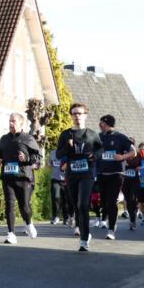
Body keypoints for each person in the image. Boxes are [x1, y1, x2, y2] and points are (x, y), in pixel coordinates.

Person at [56, 103, 101, 252]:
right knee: (76, 206)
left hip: (87, 174)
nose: (77, 116)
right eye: (74, 113)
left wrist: (94, 156)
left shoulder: (92, 134)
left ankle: (83, 240)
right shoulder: (65, 134)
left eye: (80, 113)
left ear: (85, 115)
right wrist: (68, 147)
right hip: (72, 174)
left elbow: (100, 149)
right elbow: (58, 155)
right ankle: (84, 232)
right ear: (71, 115)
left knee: (83, 205)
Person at [0, 113, 41, 244]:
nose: (11, 123)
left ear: (21, 123)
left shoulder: (28, 138)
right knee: (9, 204)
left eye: (14, 121)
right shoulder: (4, 139)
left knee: (24, 206)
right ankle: (11, 234)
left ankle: (29, 222)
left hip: (24, 177)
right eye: (10, 121)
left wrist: (26, 159)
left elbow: (37, 157)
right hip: (8, 177)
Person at [96, 114, 135, 241]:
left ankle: (111, 229)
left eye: (100, 122)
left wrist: (122, 157)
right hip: (102, 173)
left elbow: (133, 151)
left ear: (106, 123)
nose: (99, 124)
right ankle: (109, 220)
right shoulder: (98, 137)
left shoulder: (120, 137)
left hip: (116, 174)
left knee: (111, 202)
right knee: (104, 202)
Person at [122, 137, 142, 231]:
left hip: (136, 180)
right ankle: (132, 218)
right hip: (126, 181)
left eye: (131, 144)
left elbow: (143, 164)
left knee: (133, 199)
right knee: (129, 201)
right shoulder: (123, 154)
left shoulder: (138, 155)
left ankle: (133, 220)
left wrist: (140, 167)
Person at [48, 148, 71, 227]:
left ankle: (66, 218)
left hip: (66, 180)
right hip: (55, 179)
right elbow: (49, 164)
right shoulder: (53, 152)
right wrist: (49, 164)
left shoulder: (68, 152)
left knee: (65, 200)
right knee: (55, 197)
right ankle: (55, 216)